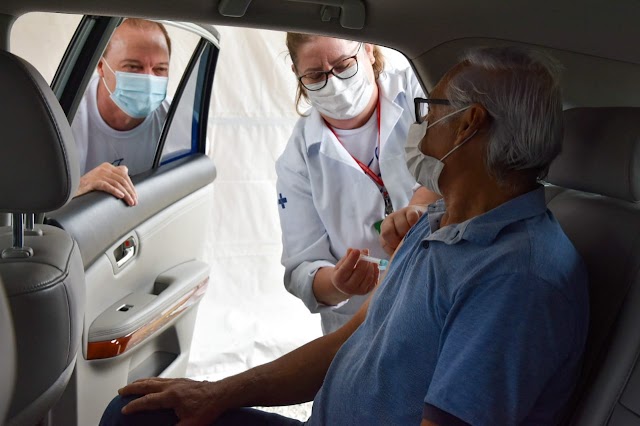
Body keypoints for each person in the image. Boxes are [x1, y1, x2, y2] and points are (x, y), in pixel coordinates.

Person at [100, 46, 589, 425]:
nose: (418, 123)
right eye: (313, 75)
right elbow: (352, 339)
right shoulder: (441, 225)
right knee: (137, 415)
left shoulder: (519, 278)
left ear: (469, 124)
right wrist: (216, 393)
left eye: (429, 108)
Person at [276, 33, 439, 334]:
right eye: (315, 76)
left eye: (344, 65)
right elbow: (303, 270)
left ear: (368, 48)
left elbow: (456, 159)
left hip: (438, 295)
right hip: (362, 327)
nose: (334, 83)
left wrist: (417, 210)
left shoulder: (420, 91)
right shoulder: (297, 159)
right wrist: (338, 284)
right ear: (297, 76)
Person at [72, 18, 172, 207]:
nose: (149, 80)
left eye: (160, 69)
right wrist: (82, 185)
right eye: (133, 67)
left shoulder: (176, 122)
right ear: (101, 67)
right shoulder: (67, 117)